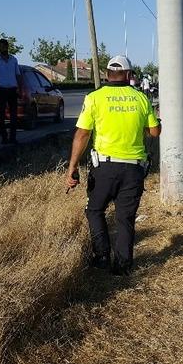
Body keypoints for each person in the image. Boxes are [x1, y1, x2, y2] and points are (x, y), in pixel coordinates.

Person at [66, 55, 161, 275]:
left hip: (104, 169)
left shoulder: (94, 98)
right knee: (125, 218)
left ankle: (101, 257)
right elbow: (155, 132)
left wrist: (72, 166)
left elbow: (82, 134)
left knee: (94, 210)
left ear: (107, 74)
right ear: (128, 75)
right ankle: (122, 266)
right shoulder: (141, 98)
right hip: (134, 169)